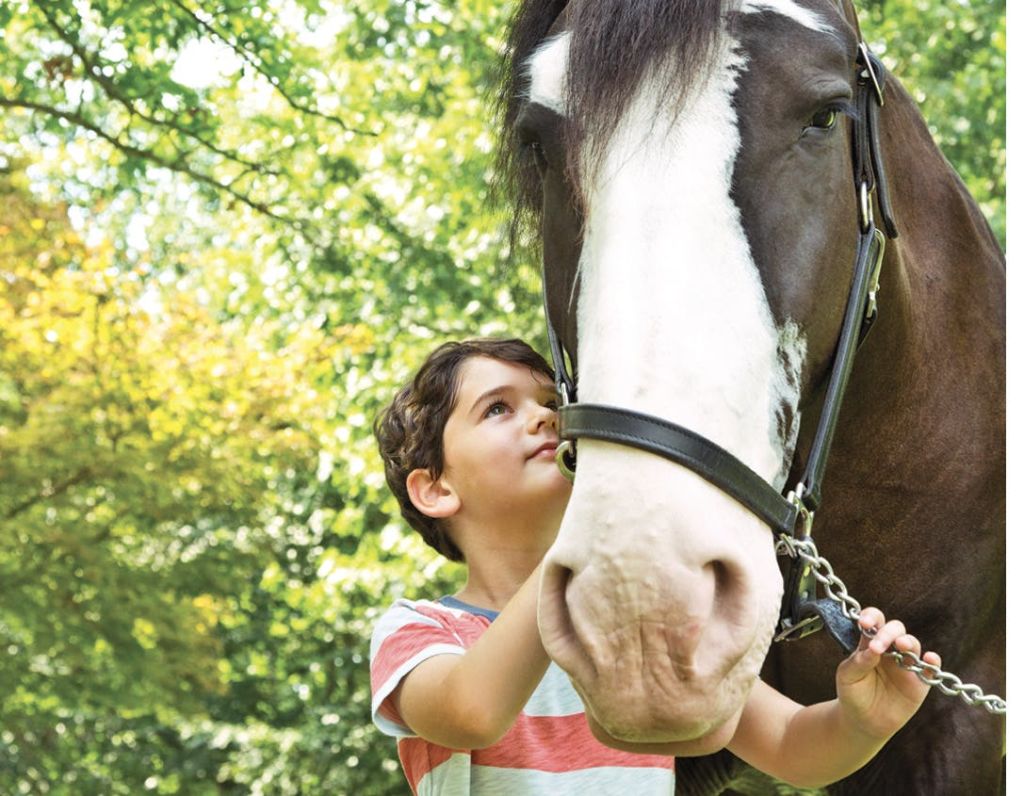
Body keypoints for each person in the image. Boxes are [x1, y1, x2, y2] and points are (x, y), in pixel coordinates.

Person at [369, 338, 939, 795]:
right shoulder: (418, 632)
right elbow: (471, 713)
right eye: (498, 408)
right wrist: (590, 527)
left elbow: (792, 747)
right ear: (435, 488)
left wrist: (862, 722)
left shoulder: (643, 619)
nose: (546, 418)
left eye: (550, 402)